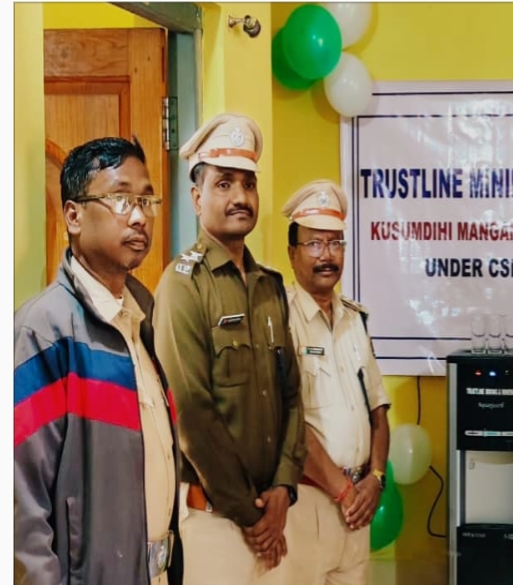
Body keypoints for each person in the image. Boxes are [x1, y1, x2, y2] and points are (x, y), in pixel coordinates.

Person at [14, 137, 183, 584]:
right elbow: (19, 501)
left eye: (146, 200)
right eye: (121, 198)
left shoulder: (141, 317)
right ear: (73, 216)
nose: (139, 216)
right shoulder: (44, 331)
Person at [153, 113, 306, 585]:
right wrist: (251, 515)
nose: (240, 197)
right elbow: (191, 414)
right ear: (197, 198)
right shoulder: (182, 285)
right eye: (224, 184)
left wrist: (283, 488)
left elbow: (293, 395)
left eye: (248, 184)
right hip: (215, 524)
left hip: (276, 518)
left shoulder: (269, 286)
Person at [279, 180, 392, 585]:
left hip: (359, 504)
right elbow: (288, 422)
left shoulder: (355, 319)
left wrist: (376, 479)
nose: (327, 256)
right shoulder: (279, 319)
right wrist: (343, 491)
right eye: (314, 244)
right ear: (292, 253)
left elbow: (378, 411)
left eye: (336, 243)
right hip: (306, 502)